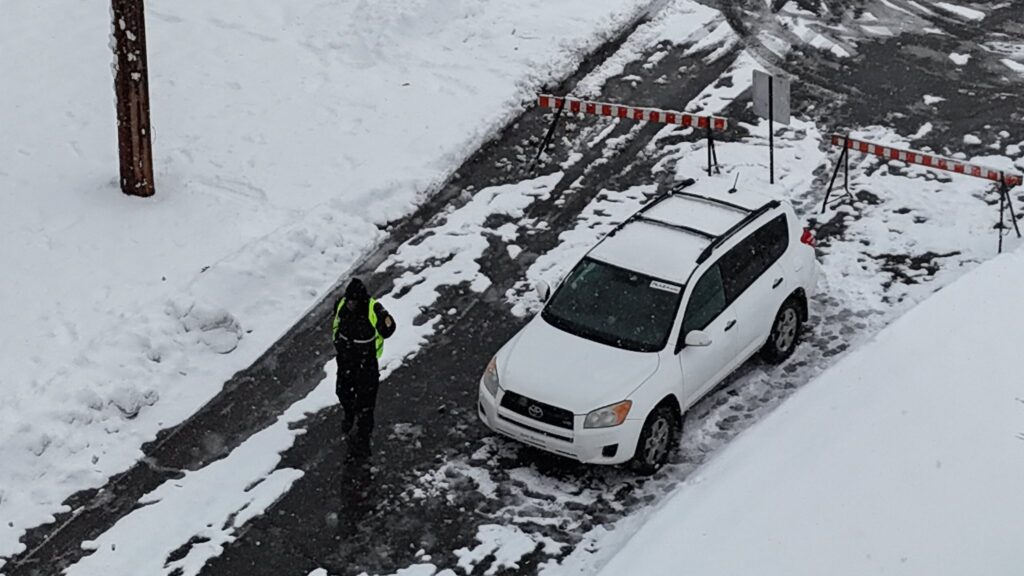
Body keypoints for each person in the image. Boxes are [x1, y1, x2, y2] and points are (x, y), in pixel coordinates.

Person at [332, 278, 396, 458]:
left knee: (366, 401)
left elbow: (389, 329)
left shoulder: (373, 309)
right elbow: (336, 322)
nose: (350, 304)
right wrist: (338, 342)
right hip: (346, 359)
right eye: (349, 300)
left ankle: (363, 436)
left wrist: (384, 322)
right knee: (342, 391)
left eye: (353, 301)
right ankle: (349, 414)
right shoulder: (341, 304)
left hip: (366, 362)